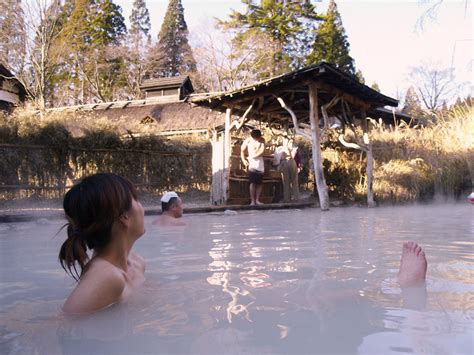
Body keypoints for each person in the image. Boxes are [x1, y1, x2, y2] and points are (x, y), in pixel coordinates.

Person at [58, 173, 146, 315]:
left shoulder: (137, 263)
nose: (142, 208)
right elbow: (63, 323)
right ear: (124, 216)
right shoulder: (107, 276)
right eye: (136, 199)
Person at [241, 129, 266, 205]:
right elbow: (242, 150)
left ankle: (257, 200)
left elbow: (262, 151)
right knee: (252, 182)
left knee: (259, 183)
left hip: (260, 164)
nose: (257, 139)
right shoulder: (248, 141)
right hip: (252, 165)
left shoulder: (262, 140)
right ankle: (252, 201)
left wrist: (253, 156)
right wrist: (243, 159)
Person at [274, 137, 299, 202]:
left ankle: (290, 198)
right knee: (289, 181)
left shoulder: (280, 149)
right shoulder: (281, 149)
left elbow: (276, 160)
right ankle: (291, 198)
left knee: (289, 181)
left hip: (287, 161)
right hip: (287, 162)